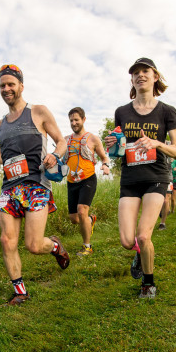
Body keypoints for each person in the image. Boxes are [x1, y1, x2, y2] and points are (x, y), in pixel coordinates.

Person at [0, 64, 70, 306]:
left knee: (34, 245)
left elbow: (61, 142)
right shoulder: (1, 125)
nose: (6, 89)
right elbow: (4, 156)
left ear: (21, 87)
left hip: (36, 184)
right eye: (2, 85)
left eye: (10, 84)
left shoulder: (38, 112)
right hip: (10, 187)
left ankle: (55, 246)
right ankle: (20, 292)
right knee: (7, 240)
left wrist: (55, 156)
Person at [104, 57, 176, 299]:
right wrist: (112, 145)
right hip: (130, 178)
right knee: (128, 241)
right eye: (135, 72)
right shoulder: (122, 112)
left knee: (143, 234)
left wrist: (156, 142)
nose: (140, 75)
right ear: (132, 79)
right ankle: (139, 253)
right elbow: (118, 150)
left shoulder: (167, 111)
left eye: (145, 71)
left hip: (156, 177)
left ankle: (148, 284)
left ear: (155, 76)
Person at [64, 107, 110, 256]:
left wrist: (105, 165)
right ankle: (90, 220)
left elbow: (104, 157)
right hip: (72, 181)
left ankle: (87, 247)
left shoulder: (93, 139)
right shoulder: (66, 140)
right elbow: (57, 156)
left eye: (76, 119)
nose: (74, 123)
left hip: (88, 179)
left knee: (82, 210)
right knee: (74, 218)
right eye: (71, 120)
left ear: (83, 120)